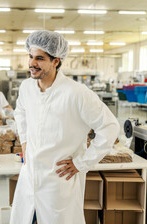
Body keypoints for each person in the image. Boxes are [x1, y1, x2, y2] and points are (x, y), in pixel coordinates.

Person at [10, 30, 120, 224]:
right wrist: (25, 141)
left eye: (39, 58)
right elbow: (20, 112)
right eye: (30, 56)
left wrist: (81, 163)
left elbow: (110, 126)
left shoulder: (76, 93)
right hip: (30, 177)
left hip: (58, 183)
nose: (31, 63)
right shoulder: (27, 87)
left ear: (56, 61)